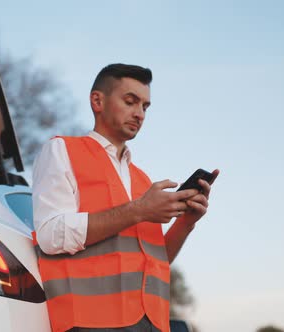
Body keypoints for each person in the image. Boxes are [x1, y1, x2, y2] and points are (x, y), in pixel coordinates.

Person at [32, 63, 219, 332]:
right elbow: (50, 236)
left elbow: (156, 261)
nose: (139, 113)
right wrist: (137, 211)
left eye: (145, 106)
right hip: (89, 322)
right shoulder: (62, 150)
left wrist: (186, 223)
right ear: (98, 100)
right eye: (130, 101)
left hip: (152, 322)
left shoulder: (143, 181)